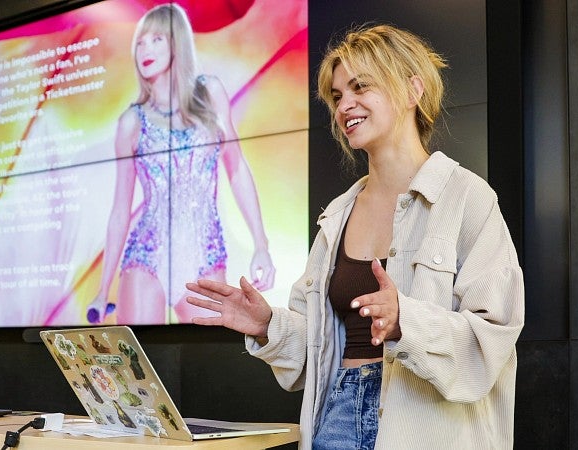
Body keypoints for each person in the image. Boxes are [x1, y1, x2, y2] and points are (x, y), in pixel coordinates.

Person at [185, 24, 525, 449]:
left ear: (411, 89)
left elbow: (491, 341)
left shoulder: (468, 198)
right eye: (337, 95)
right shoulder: (337, 216)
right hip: (340, 415)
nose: (345, 105)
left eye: (360, 87)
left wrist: (407, 320)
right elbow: (316, 354)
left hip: (430, 429)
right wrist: (267, 325)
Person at [87, 3, 275, 325]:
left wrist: (261, 244)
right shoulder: (131, 122)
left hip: (205, 254)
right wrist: (103, 289)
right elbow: (120, 209)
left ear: (178, 42)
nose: (146, 49)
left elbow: (237, 168)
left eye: (157, 39)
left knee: (210, 361)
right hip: (146, 257)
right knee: (137, 366)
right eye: (141, 42)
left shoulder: (210, 92)